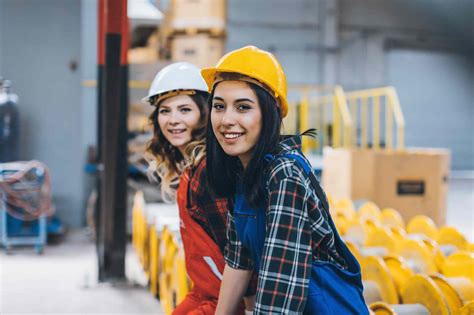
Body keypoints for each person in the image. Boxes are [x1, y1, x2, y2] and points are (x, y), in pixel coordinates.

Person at [202, 46, 369, 314]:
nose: (227, 120)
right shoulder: (243, 173)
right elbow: (239, 262)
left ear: (271, 114)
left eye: (243, 107)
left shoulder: (284, 174)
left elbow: (280, 287)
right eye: (219, 107)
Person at [144, 62, 252, 315]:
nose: (173, 120)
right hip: (205, 294)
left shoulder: (208, 172)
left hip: (227, 301)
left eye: (184, 109)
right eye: (165, 111)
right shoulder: (192, 170)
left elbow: (242, 254)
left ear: (204, 114)